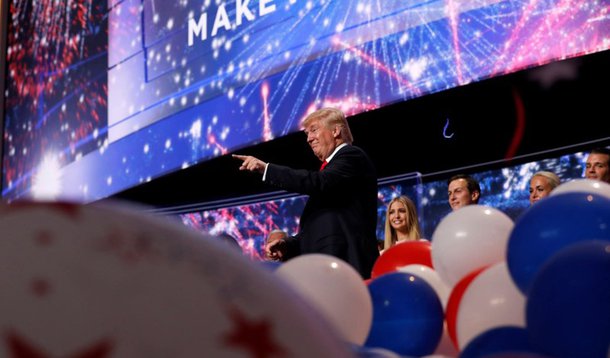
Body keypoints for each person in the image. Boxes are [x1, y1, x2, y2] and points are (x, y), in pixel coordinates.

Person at [233, 108, 379, 278]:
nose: (309, 139)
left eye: (314, 130)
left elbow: (318, 182)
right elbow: (318, 227)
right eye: (306, 134)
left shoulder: (352, 156)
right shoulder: (331, 175)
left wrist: (266, 169)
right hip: (326, 269)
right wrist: (288, 245)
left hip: (346, 266)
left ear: (335, 130)